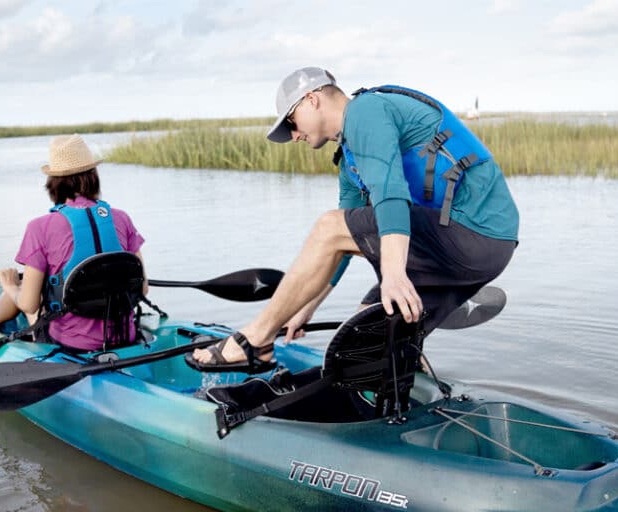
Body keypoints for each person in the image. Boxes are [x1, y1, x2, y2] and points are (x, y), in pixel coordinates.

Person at [188, 66, 518, 373]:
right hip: (470, 246)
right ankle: (408, 381)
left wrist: (393, 274)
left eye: (291, 123)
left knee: (328, 226)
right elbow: (341, 244)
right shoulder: (349, 160)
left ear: (312, 100)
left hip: (475, 233)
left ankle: (254, 341)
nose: (293, 136)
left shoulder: (365, 111)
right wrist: (305, 306)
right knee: (364, 330)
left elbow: (389, 198)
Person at [0, 133, 147, 350]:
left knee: (24, 289)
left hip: (70, 344)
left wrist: (10, 286)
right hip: (125, 337)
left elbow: (29, 304)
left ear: (54, 182)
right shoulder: (122, 218)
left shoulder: (39, 227)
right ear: (93, 176)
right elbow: (142, 289)